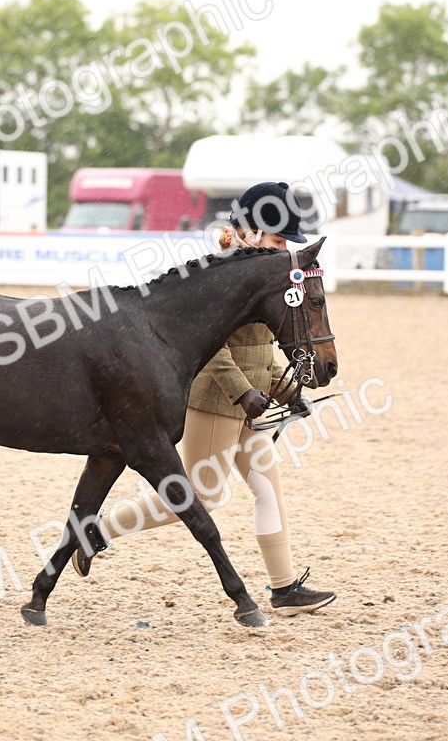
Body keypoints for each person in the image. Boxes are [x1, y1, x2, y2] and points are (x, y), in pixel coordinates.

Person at [72, 181, 336, 615]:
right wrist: (244, 393)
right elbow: (208, 353)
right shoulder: (218, 275)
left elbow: (261, 350)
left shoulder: (264, 275)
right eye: (276, 238)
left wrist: (286, 389)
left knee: (268, 488)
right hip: (215, 399)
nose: (282, 248)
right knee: (200, 495)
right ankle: (95, 532)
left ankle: (284, 589)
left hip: (253, 401)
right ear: (249, 231)